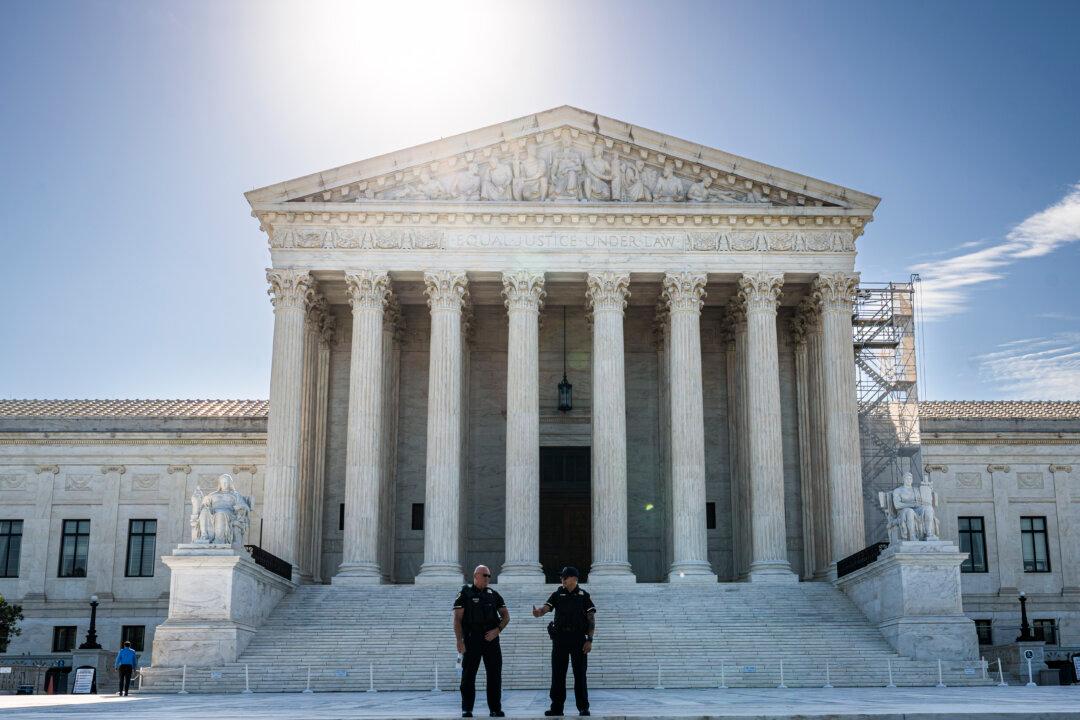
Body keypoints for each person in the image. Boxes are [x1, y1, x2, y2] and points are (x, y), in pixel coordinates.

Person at [532, 567, 595, 717]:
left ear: (574, 578)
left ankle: (583, 707)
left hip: (578, 639)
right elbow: (546, 608)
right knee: (558, 674)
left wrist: (589, 640)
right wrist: (539, 612)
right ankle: (556, 707)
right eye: (562, 578)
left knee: (580, 674)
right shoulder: (557, 593)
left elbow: (591, 619)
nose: (562, 580)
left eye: (565, 577)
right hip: (560, 638)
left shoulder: (584, 596)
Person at [453, 565, 509, 718]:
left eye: (489, 576)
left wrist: (497, 630)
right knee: (468, 676)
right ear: (476, 575)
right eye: (485, 575)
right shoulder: (464, 594)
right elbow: (457, 619)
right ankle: (467, 708)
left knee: (494, 675)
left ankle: (495, 709)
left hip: (491, 640)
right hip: (472, 639)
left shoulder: (494, 594)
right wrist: (459, 640)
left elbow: (506, 616)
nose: (487, 578)